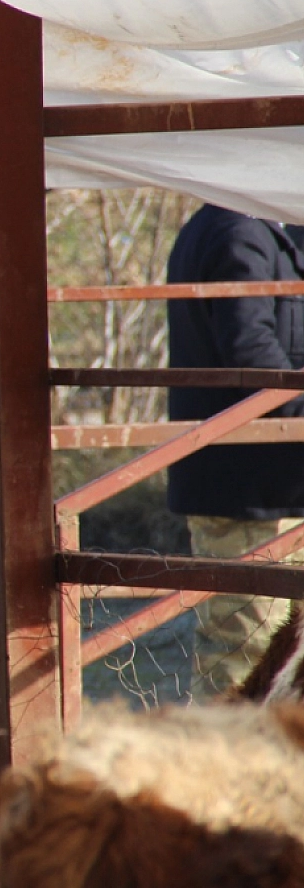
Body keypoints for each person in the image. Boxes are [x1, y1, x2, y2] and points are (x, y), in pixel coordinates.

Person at [165, 202, 304, 695]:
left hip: (264, 483)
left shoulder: (249, 229)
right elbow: (250, 349)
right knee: (244, 652)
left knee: (270, 652)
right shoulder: (238, 233)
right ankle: (220, 765)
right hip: (247, 488)